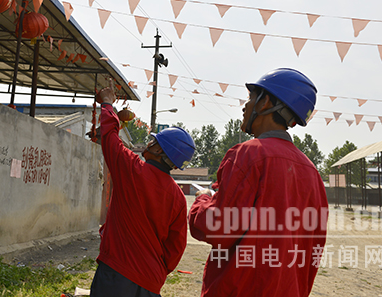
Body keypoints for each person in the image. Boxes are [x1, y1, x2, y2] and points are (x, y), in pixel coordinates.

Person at [188, 68, 328, 297]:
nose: (245, 106)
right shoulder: (312, 172)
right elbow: (313, 246)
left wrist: (201, 200)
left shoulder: (248, 154)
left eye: (251, 97)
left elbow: (218, 227)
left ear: (266, 103)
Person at [91, 81, 196, 297]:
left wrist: (108, 104)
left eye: (153, 142)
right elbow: (176, 247)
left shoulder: (132, 169)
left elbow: (109, 138)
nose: (149, 144)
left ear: (159, 150)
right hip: (150, 282)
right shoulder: (178, 197)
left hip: (116, 274)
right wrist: (155, 270)